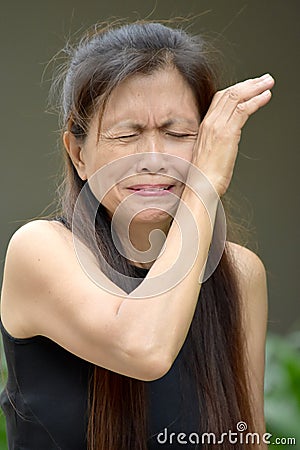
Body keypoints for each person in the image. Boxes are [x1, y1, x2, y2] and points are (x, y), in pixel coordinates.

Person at [0, 20, 274, 450]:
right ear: (78, 153)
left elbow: (248, 437)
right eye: (126, 135)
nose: (153, 158)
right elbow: (144, 349)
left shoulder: (240, 274)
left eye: (179, 134)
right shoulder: (39, 249)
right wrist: (202, 188)